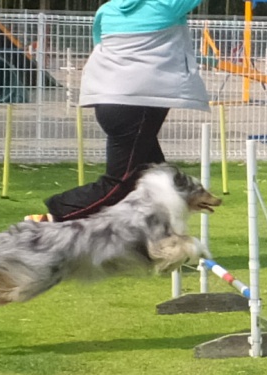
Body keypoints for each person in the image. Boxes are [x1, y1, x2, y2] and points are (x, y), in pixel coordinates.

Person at [26, 0, 210, 223]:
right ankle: (53, 216)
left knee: (158, 175)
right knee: (119, 183)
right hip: (138, 103)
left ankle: (159, 233)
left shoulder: (107, 9)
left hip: (107, 100)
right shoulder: (166, 5)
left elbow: (100, 45)